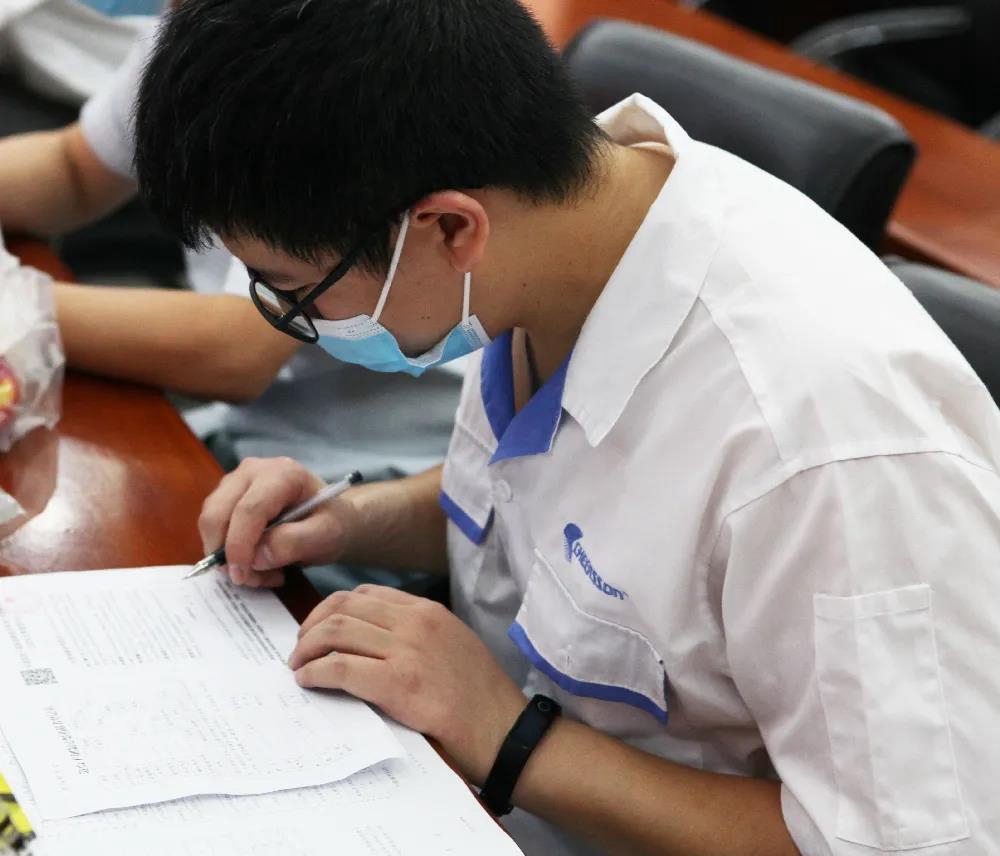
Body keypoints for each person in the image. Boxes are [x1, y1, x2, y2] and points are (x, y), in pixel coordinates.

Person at [134, 0, 1000, 854]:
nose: (292, 319)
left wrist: (506, 736)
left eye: (297, 290)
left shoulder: (820, 454)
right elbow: (564, 513)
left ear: (448, 227)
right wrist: (349, 520)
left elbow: (905, 845)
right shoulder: (554, 247)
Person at [0, 25, 464, 590]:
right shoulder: (199, 35)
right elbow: (74, 167)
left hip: (378, 469)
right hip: (257, 445)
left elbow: (238, 348)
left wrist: (15, 303)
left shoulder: (333, 66)